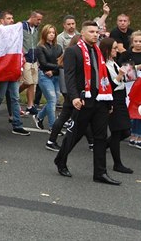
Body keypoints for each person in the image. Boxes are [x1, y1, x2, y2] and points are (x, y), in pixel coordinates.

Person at [54, 21, 120, 185]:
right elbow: (69, 76)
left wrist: (109, 100)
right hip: (83, 100)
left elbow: (103, 77)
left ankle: (100, 173)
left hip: (101, 100)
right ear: (82, 34)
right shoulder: (73, 51)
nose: (95, 34)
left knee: (100, 137)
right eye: (91, 31)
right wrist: (74, 97)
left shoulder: (99, 52)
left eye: (97, 32)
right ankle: (60, 160)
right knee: (75, 134)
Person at [0, 11, 31, 136]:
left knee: (15, 97)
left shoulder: (15, 33)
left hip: (12, 69)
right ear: (2, 20)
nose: (11, 20)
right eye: (8, 18)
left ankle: (17, 124)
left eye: (12, 18)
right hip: (3, 70)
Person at [99, 38, 133, 174]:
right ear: (107, 49)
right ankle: (117, 164)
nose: (116, 50)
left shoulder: (113, 62)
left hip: (121, 98)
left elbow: (122, 79)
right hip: (113, 99)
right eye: (114, 48)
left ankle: (101, 147)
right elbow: (108, 86)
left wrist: (128, 73)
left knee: (125, 131)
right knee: (117, 131)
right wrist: (119, 76)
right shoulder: (104, 65)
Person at [33, 24, 63, 130]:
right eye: (49, 33)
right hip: (44, 75)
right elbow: (43, 63)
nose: (51, 35)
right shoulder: (40, 47)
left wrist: (54, 70)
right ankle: (53, 126)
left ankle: (39, 116)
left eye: (53, 33)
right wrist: (57, 67)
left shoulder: (58, 47)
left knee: (53, 100)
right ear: (44, 34)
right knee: (52, 99)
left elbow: (61, 62)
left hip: (55, 75)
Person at [118, 30, 141, 148]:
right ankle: (131, 133)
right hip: (130, 84)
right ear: (132, 42)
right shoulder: (127, 54)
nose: (138, 43)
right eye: (136, 41)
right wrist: (137, 67)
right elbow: (121, 67)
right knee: (130, 107)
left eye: (140, 41)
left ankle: (138, 135)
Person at [20, 11, 43, 115]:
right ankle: (13, 94)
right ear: (32, 17)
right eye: (38, 19)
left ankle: (30, 105)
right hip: (25, 58)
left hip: (34, 58)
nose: (40, 21)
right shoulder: (22, 26)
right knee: (28, 82)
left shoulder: (36, 28)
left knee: (33, 83)